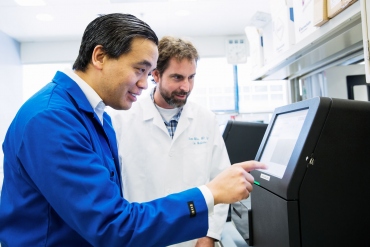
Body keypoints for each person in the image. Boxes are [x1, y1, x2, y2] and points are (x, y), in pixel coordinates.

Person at [0, 13, 266, 246]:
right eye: (139, 69)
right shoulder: (52, 120)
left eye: (148, 72)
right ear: (100, 56)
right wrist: (210, 193)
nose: (143, 82)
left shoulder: (95, 116)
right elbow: (111, 225)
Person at [110, 36, 230, 247]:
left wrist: (210, 235)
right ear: (155, 75)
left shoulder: (206, 120)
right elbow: (113, 189)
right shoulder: (122, 121)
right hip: (143, 238)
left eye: (191, 77)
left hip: (195, 238)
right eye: (177, 77)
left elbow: (220, 181)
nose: (186, 86)